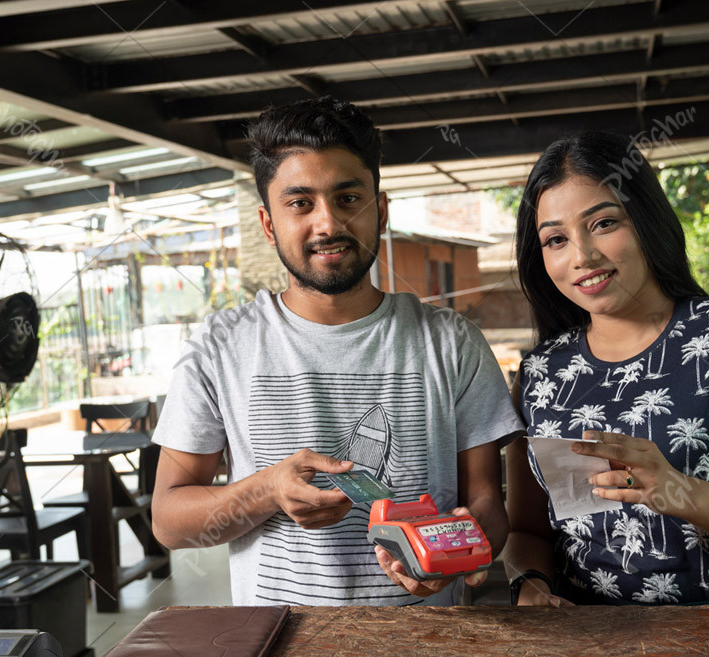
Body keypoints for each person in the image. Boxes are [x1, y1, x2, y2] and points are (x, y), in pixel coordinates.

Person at [151, 96, 522, 606]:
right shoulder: (220, 347)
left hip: (435, 652)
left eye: (348, 199)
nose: (327, 224)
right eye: (300, 203)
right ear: (268, 224)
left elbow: (487, 502)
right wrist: (267, 491)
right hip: (276, 655)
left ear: (381, 210)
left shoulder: (451, 341)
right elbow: (169, 522)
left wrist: (461, 551)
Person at [503, 130, 709, 606]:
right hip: (587, 653)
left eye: (603, 223)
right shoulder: (540, 374)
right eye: (556, 239)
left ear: (645, 219)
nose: (582, 256)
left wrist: (679, 491)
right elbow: (526, 531)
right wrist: (532, 587)